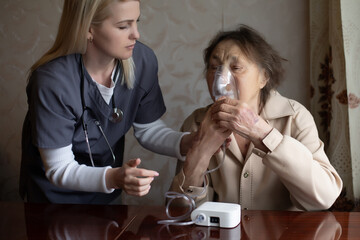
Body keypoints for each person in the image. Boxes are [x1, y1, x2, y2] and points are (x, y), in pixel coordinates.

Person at [19, 0, 192, 204]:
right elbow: (59, 169)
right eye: (123, 26)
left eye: (137, 22)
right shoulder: (53, 81)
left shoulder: (142, 61)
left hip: (107, 198)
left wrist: (186, 143)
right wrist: (114, 177)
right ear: (88, 28)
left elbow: (148, 129)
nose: (136, 34)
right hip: (53, 203)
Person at [169, 25, 343, 210]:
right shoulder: (197, 123)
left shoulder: (295, 117)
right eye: (214, 68)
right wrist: (201, 152)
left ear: (264, 77)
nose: (221, 79)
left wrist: (263, 134)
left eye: (236, 67)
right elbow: (178, 212)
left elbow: (324, 198)